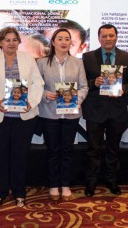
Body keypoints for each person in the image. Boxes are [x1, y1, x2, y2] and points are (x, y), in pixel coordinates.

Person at [0, 27, 44, 208]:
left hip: (24, 116)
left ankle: (19, 192)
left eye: (15, 39)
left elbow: (38, 83)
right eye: (7, 40)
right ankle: (0, 191)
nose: (11, 43)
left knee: (20, 156)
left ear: (19, 42)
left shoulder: (28, 59)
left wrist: (31, 101)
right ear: (0, 42)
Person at [81, 24, 128, 197]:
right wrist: (94, 83)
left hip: (117, 110)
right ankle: (91, 182)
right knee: (93, 149)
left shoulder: (127, 57)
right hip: (94, 110)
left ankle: (112, 181)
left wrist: (124, 89)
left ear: (116, 37)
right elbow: (82, 82)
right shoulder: (88, 57)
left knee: (113, 149)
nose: (108, 39)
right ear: (98, 38)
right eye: (104, 36)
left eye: (111, 35)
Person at [37, 28, 88, 201]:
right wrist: (45, 94)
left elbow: (83, 87)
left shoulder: (77, 62)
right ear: (53, 42)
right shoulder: (42, 62)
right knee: (52, 151)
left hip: (71, 114)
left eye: (67, 39)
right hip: (49, 113)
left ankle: (65, 185)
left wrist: (78, 99)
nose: (64, 42)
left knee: (67, 150)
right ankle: (53, 185)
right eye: (60, 39)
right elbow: (36, 85)